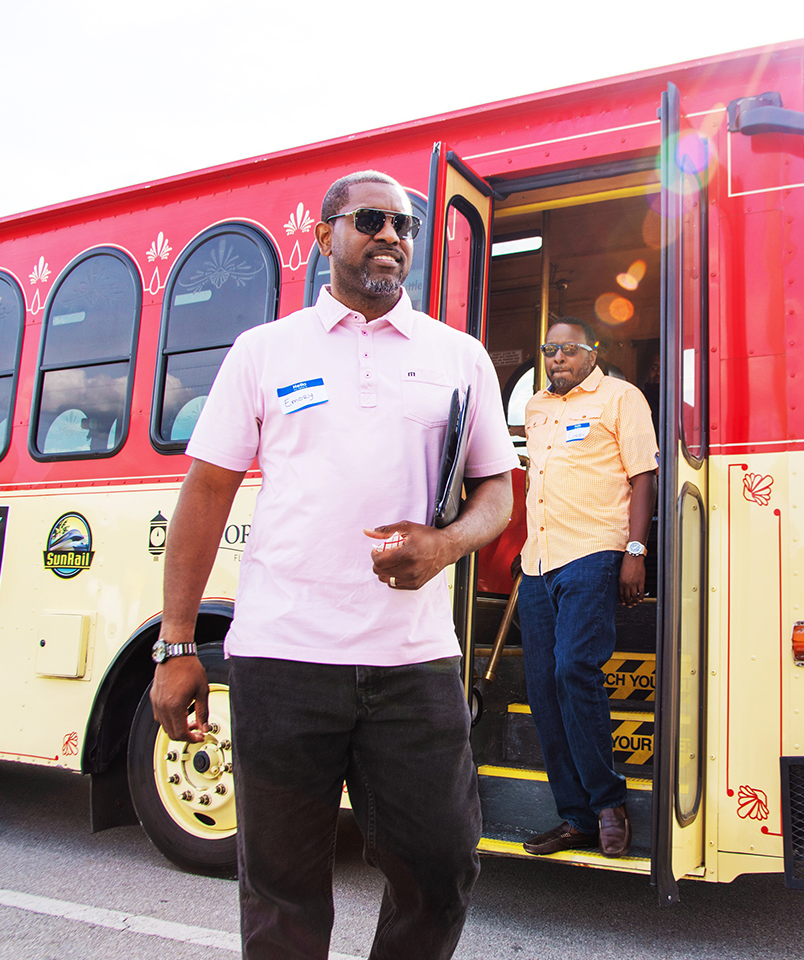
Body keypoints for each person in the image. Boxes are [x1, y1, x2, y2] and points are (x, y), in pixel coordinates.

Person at [149, 170, 518, 960]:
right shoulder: (264, 351)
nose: (391, 235)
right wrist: (177, 645)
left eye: (406, 224)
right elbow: (206, 494)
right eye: (370, 220)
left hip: (413, 664)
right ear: (324, 237)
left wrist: (447, 544)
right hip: (284, 661)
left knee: (443, 865)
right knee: (283, 891)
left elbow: (498, 492)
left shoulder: (459, 357)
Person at [518, 317, 658, 858]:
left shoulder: (623, 399)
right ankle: (575, 817)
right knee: (544, 689)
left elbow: (641, 476)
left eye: (568, 350)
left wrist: (635, 552)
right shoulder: (536, 408)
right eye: (550, 350)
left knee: (574, 670)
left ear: (591, 353)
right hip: (537, 565)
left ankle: (608, 802)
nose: (557, 359)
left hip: (594, 554)